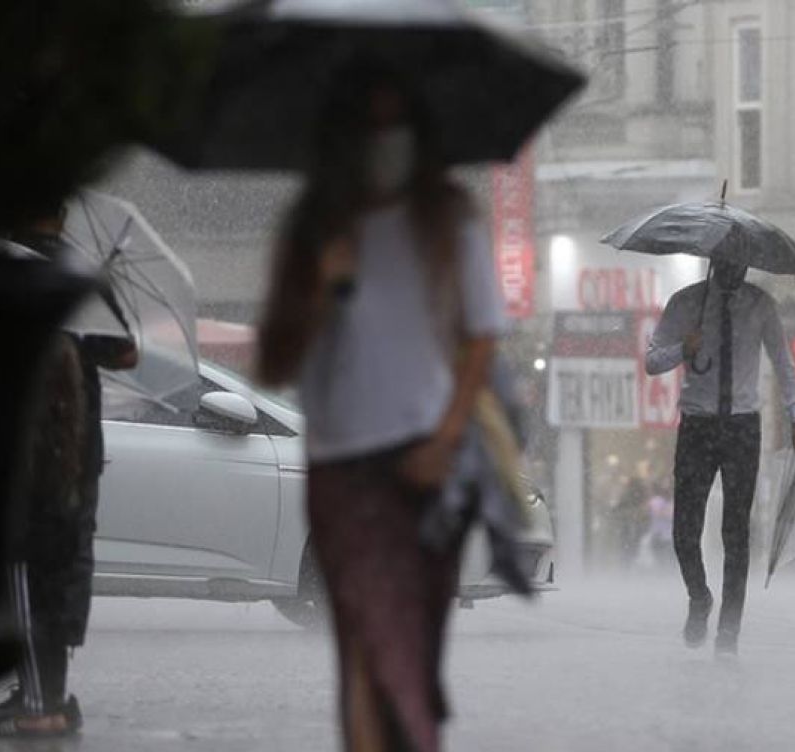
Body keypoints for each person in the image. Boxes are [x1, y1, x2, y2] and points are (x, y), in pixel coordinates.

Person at [256, 63, 504, 752]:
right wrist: (323, 289)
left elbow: (481, 337)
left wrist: (446, 437)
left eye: (397, 122)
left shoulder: (449, 219)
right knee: (366, 645)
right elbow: (275, 360)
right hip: (342, 468)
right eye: (370, 122)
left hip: (427, 463)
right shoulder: (311, 226)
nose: (383, 138)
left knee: (412, 649)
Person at [0, 210, 138, 737]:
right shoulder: (81, 275)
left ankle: (38, 700)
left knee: (24, 573)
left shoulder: (9, 273)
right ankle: (39, 692)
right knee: (60, 572)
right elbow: (126, 352)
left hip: (29, 453)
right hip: (76, 453)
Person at [646, 260, 795, 656]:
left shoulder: (760, 305)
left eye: (742, 258)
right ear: (713, 257)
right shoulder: (686, 303)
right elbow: (652, 361)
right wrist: (681, 350)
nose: (735, 266)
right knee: (685, 532)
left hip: (741, 428)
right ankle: (699, 597)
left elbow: (784, 365)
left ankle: (729, 634)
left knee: (736, 536)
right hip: (698, 425)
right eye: (728, 256)